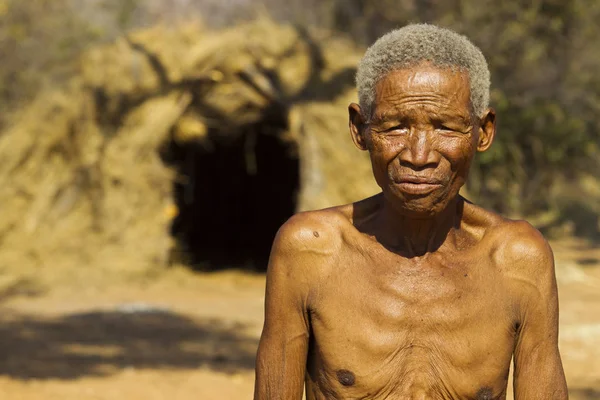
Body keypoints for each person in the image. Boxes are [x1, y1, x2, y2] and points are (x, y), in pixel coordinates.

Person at [254, 24, 568, 400]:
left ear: (482, 133)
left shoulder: (518, 259)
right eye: (395, 127)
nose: (419, 155)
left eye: (446, 128)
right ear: (360, 129)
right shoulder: (311, 250)